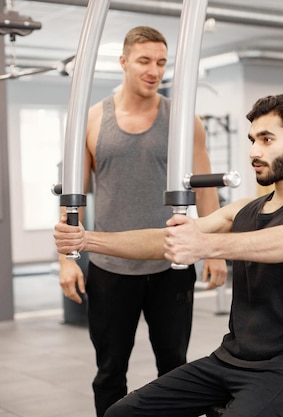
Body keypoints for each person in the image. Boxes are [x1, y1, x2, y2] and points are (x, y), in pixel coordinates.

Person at [54, 94, 283, 417]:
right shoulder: (245, 209)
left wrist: (205, 246)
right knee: (121, 413)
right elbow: (167, 240)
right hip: (229, 361)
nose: (254, 152)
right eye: (252, 140)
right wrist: (86, 239)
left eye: (266, 139)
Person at [57, 26, 228, 417]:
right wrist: (67, 259)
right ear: (124, 61)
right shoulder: (93, 119)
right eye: (145, 61)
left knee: (174, 366)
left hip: (171, 264)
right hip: (109, 268)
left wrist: (216, 251)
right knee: (110, 371)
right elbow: (74, 199)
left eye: (161, 62)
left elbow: (205, 191)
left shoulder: (185, 121)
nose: (154, 70)